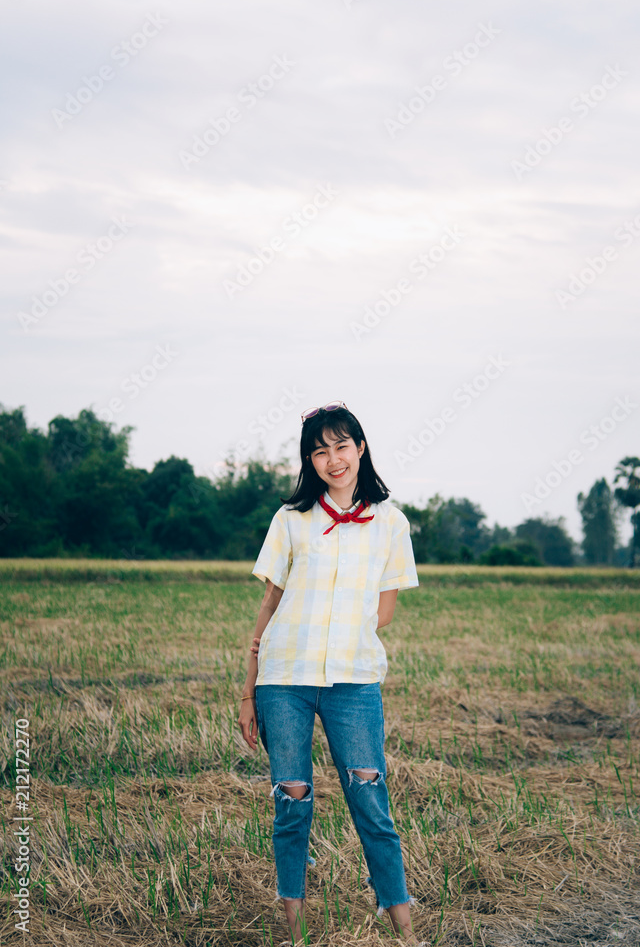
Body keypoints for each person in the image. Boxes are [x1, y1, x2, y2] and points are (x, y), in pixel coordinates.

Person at [238, 401, 428, 946]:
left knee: (371, 802)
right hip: (284, 680)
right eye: (319, 450)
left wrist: (344, 627)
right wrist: (247, 689)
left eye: (341, 445)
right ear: (310, 461)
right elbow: (269, 606)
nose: (332, 458)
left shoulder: (391, 523)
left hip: (353, 681)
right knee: (292, 802)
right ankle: (294, 935)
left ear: (361, 448)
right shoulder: (290, 519)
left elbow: (385, 609)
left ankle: (407, 935)